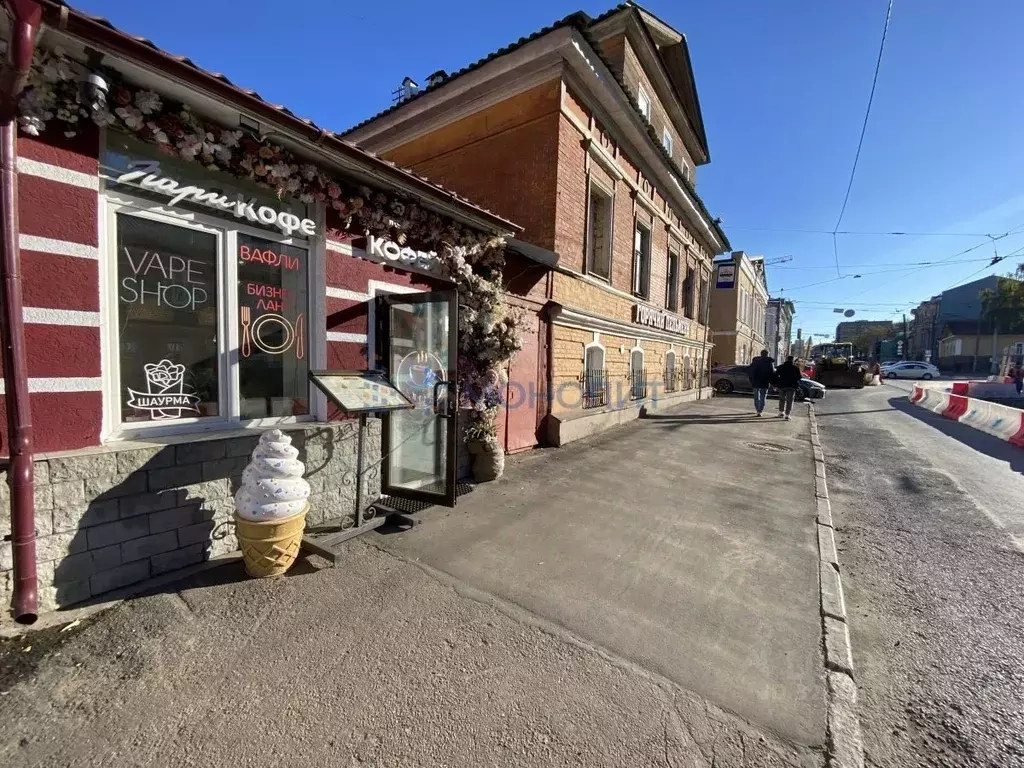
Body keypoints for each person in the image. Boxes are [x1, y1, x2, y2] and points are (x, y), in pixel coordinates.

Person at [748, 349, 775, 417]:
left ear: (761, 354)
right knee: (763, 397)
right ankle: (760, 411)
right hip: (764, 383)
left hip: (755, 382)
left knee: (756, 397)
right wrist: (772, 383)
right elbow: (771, 373)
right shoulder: (769, 363)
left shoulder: (755, 361)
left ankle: (757, 410)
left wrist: (751, 380)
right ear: (767, 354)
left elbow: (750, 371)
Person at [775, 355, 802, 420]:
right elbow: (799, 377)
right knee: (789, 400)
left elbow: (776, 375)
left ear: (786, 359)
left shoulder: (781, 367)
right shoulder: (795, 368)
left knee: (782, 399)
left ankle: (781, 412)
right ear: (792, 360)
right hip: (791, 386)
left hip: (782, 385)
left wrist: (777, 382)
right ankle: (787, 415)